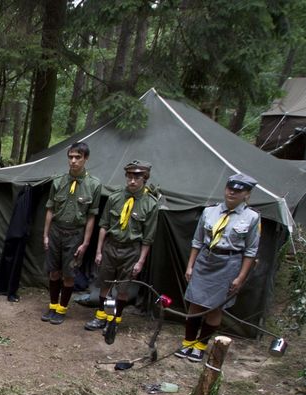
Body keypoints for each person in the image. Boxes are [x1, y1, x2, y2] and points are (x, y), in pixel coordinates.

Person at [175, 173, 260, 362]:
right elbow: (197, 241)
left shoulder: (252, 217)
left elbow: (251, 251)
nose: (232, 193)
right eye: (230, 188)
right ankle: (188, 342)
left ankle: (200, 346)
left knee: (214, 309)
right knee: (195, 304)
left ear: (246, 194)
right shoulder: (209, 212)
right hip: (205, 260)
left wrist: (240, 278)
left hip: (229, 263)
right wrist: (190, 266)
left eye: (239, 191)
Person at [84, 161, 160, 331]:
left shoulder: (150, 204)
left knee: (123, 288)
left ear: (144, 179)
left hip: (131, 249)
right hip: (111, 245)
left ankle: (114, 321)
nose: (132, 181)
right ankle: (101, 316)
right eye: (130, 177)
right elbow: (103, 225)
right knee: (105, 283)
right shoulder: (115, 197)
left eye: (137, 178)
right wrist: (98, 251)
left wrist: (140, 261)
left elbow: (148, 238)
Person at [41, 141, 101, 325]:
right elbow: (50, 209)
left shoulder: (94, 185)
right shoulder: (58, 181)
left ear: (86, 158)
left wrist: (86, 242)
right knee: (53, 271)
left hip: (75, 234)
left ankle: (62, 309)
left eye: (78, 157)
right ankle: (52, 306)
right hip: (57, 231)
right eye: (71, 157)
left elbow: (91, 216)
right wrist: (46, 234)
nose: (73, 161)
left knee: (69, 274)